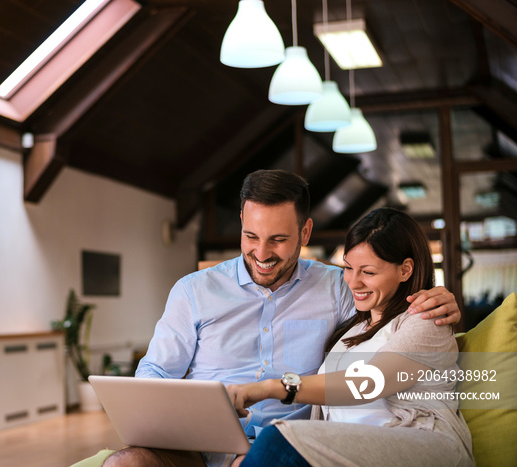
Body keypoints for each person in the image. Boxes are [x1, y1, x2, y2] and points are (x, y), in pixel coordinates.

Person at [104, 169, 461, 467]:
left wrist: (438, 297)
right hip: (205, 449)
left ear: (305, 233)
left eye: (277, 240)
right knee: (126, 463)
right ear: (241, 221)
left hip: (289, 445)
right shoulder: (193, 291)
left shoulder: (338, 288)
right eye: (251, 236)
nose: (261, 253)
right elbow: (155, 374)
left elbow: (392, 325)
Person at [226, 207, 473, 466]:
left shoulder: (426, 321)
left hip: (422, 442)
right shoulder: (354, 328)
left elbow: (369, 383)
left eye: (368, 272)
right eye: (348, 268)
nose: (353, 283)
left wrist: (269, 388)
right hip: (354, 450)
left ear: (405, 270)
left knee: (278, 439)